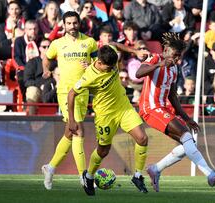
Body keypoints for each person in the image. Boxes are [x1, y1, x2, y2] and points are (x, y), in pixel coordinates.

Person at [41, 11, 148, 191]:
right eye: (69, 23)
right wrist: (47, 71)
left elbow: (105, 51)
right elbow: (47, 58)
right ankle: (84, 176)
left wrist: (134, 50)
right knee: (78, 131)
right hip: (67, 91)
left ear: (79, 24)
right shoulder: (57, 44)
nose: (72, 26)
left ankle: (50, 167)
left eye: (75, 23)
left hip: (86, 94)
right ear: (64, 25)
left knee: (70, 132)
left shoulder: (89, 42)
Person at [136, 32, 215, 192]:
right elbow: (138, 73)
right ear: (165, 49)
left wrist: (187, 118)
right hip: (150, 108)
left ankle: (156, 169)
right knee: (186, 137)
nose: (176, 59)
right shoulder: (155, 58)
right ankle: (210, 174)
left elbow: (173, 96)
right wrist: (159, 65)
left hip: (162, 108)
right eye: (174, 55)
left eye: (179, 56)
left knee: (187, 144)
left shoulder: (174, 69)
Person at [68, 45, 149, 196]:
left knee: (142, 138)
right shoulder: (89, 77)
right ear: (99, 62)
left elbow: (116, 44)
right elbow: (71, 94)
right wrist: (71, 120)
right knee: (103, 150)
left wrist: (135, 51)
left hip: (124, 107)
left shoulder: (109, 55)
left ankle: (137, 176)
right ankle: (89, 176)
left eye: (114, 66)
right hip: (105, 116)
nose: (113, 69)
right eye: (109, 67)